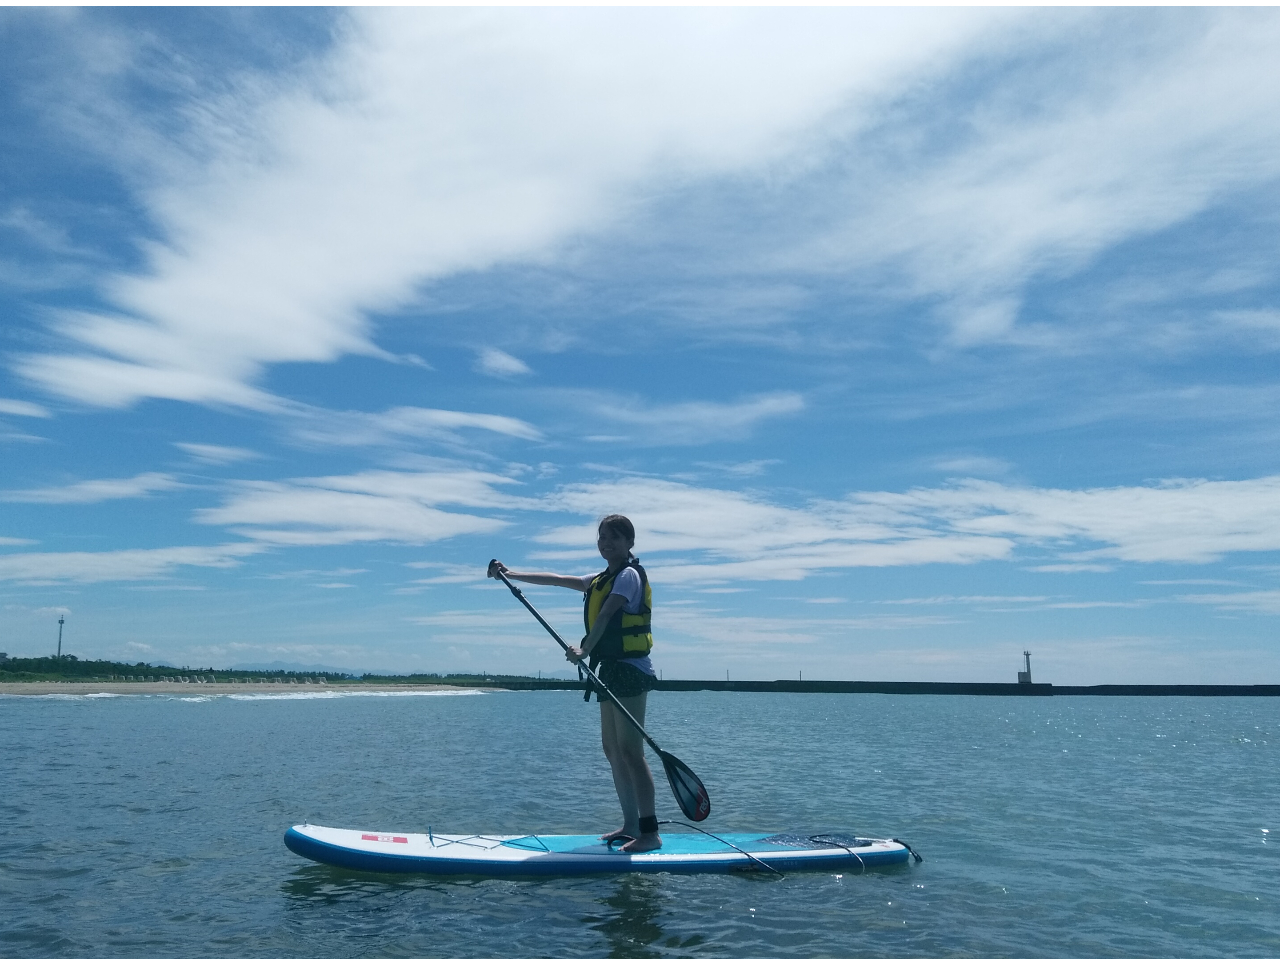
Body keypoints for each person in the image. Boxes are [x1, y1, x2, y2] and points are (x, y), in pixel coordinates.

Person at [489, 514, 661, 853]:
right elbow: (556, 579)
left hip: (630, 669)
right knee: (612, 750)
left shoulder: (628, 576)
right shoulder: (599, 578)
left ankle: (650, 832)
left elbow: (608, 614)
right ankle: (629, 825)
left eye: (614, 537)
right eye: (602, 537)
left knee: (631, 751)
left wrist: (585, 649)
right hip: (608, 670)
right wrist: (510, 573)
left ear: (629, 543)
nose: (606, 543)